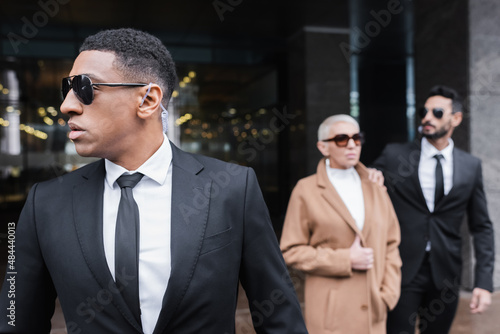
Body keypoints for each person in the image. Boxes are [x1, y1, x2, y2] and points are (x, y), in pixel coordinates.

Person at [0, 28, 308, 334]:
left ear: (147, 100)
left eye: (84, 87)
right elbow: (14, 319)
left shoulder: (232, 188)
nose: (68, 104)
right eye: (66, 88)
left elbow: (279, 317)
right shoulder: (46, 203)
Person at [372, 85, 495, 334]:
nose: (427, 118)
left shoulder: (470, 166)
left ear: (456, 119)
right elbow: (361, 189)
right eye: (424, 111)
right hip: (401, 269)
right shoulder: (394, 156)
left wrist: (483, 282)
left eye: (437, 112)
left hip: (446, 273)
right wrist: (370, 177)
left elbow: (481, 226)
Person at [280, 114, 402, 334]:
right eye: (342, 139)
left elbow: (392, 243)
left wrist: (388, 294)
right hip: (331, 316)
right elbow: (290, 251)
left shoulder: (375, 185)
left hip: (374, 311)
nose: (352, 145)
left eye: (357, 138)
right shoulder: (306, 190)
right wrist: (345, 259)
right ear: (323, 147)